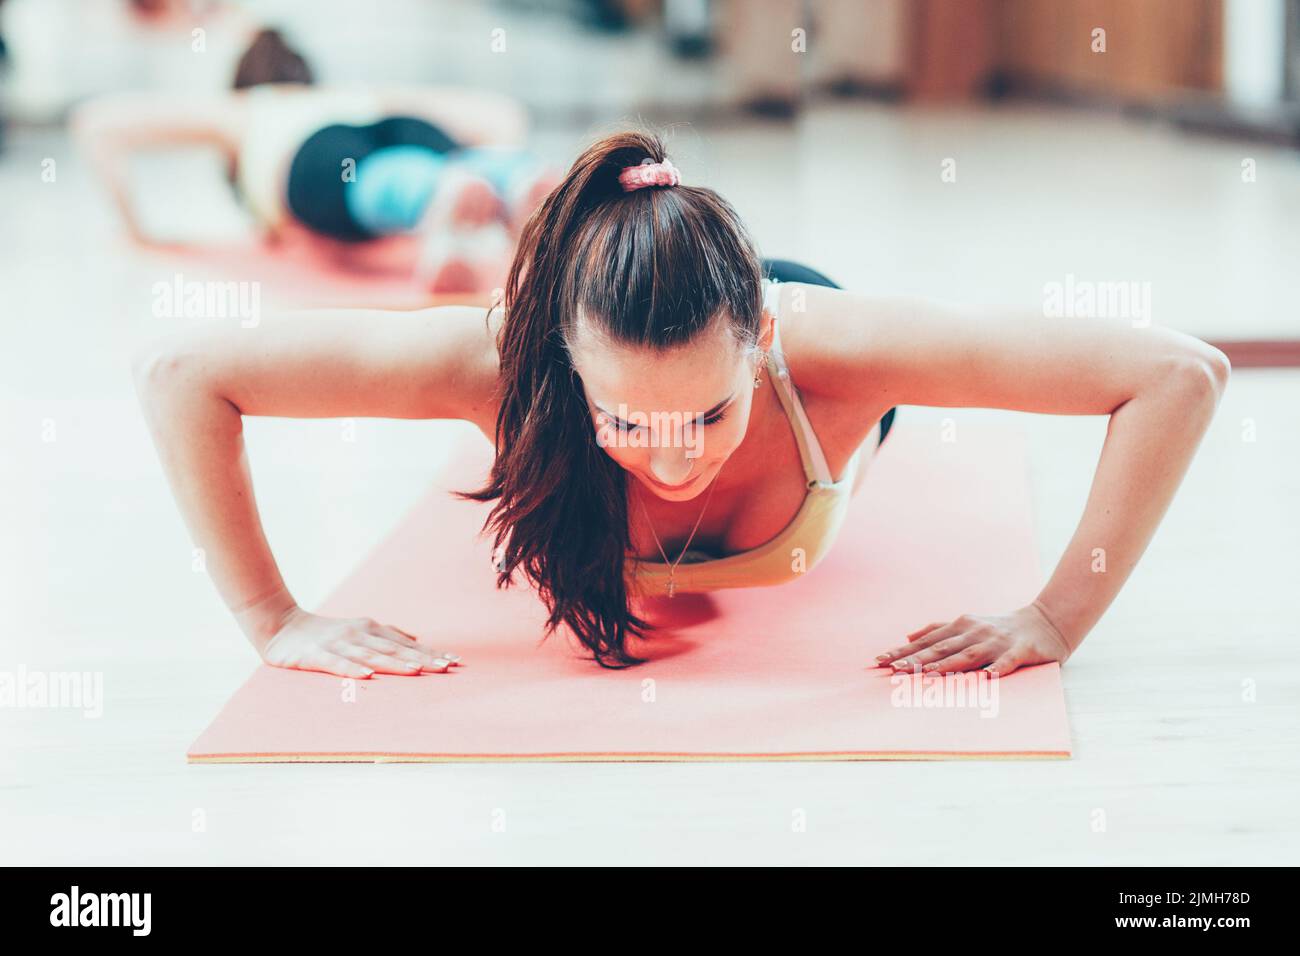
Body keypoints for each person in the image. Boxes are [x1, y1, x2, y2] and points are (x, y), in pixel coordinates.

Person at [132, 129, 1230, 679]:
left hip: (791, 351)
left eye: (705, 418)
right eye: (629, 421)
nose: (673, 462)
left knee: (815, 359)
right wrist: (270, 619)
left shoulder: (830, 351)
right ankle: (511, 216)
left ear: (754, 356)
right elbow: (187, 377)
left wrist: (1054, 617)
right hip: (611, 310)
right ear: (564, 367)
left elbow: (1176, 375)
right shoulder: (496, 364)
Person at [73, 28, 559, 291]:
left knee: (371, 179)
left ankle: (439, 191)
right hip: (397, 124)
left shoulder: (244, 110)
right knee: (441, 160)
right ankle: (511, 180)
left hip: (313, 154)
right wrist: (503, 164)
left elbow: (97, 123)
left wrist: (136, 232)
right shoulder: (352, 92)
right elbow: (499, 114)